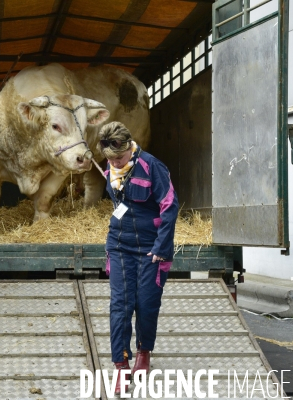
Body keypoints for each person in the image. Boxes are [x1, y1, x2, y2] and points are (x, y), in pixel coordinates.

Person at [99, 121, 179, 395]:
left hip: (150, 248)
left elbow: (170, 205)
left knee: (145, 303)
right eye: (110, 159)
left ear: (129, 148)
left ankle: (144, 352)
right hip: (120, 245)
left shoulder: (151, 166)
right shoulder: (112, 166)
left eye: (119, 158)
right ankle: (120, 365)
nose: (114, 163)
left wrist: (161, 245)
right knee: (120, 305)